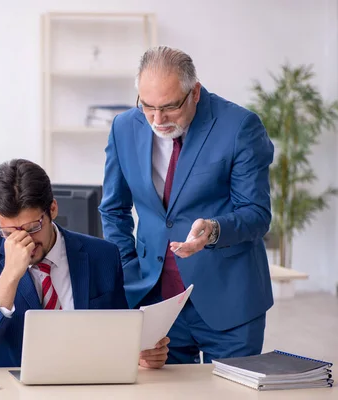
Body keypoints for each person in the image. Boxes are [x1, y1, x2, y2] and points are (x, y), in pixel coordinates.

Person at [99, 46, 274, 364]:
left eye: (169, 107)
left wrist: (215, 229)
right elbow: (113, 209)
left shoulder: (239, 127)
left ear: (194, 92)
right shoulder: (124, 127)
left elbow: (257, 213)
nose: (157, 119)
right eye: (147, 106)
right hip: (156, 300)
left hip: (229, 300)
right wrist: (128, 267)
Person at [0, 159, 169, 369]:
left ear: (53, 209)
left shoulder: (103, 256)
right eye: (9, 233)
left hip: (89, 387)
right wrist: (9, 276)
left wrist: (139, 354)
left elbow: (120, 337)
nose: (24, 242)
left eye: (31, 228)